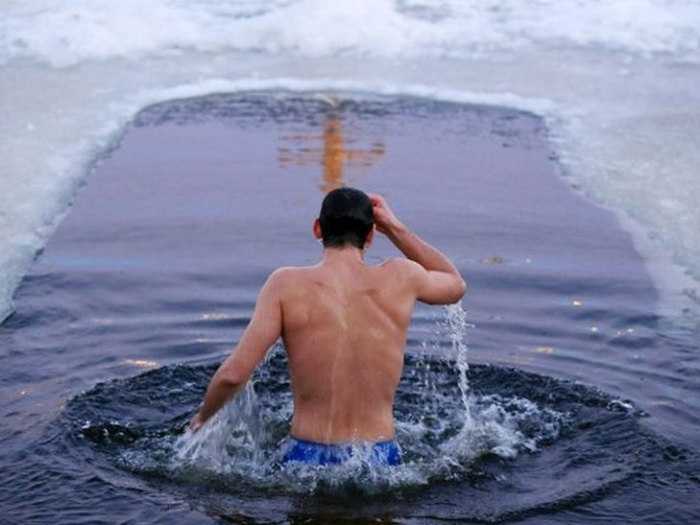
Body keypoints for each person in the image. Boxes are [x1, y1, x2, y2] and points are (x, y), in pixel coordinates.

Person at [188, 188, 466, 466]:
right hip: (380, 458)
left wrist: (202, 418)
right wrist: (395, 228)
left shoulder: (285, 284)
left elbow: (234, 375)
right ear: (371, 235)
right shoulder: (403, 276)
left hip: (305, 458)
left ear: (317, 228)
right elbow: (455, 284)